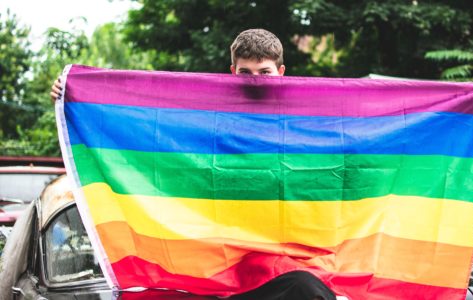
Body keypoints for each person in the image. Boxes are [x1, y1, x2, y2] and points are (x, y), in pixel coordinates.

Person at [49, 29, 337, 300]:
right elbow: (148, 124)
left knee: (309, 289)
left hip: (285, 258)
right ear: (232, 72)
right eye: (245, 72)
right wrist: (72, 96)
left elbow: (345, 146)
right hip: (217, 258)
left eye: (264, 72)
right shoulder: (206, 112)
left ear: (281, 73)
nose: (255, 80)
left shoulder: (304, 118)